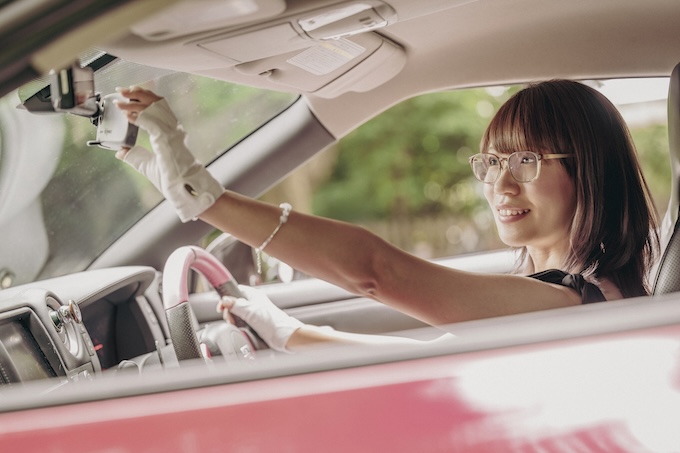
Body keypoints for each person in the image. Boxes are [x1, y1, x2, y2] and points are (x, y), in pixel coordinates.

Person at [114, 80, 659, 352]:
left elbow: (377, 270)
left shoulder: (571, 304)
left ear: (590, 171)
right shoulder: (576, 294)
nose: (501, 183)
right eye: (492, 162)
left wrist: (206, 198)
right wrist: (292, 334)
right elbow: (429, 356)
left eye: (526, 161)